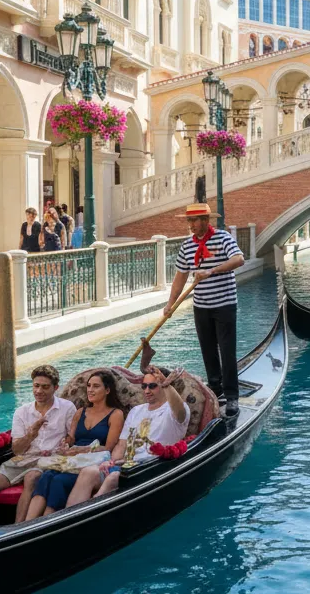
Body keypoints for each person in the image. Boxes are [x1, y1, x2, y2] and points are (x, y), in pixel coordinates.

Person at [71, 358, 190, 504]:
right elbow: (122, 444)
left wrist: (166, 384)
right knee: (88, 472)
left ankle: (92, 511)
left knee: (113, 478)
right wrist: (112, 462)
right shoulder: (136, 411)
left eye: (153, 386)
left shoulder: (175, 411)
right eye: (144, 386)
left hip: (153, 467)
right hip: (125, 465)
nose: (147, 391)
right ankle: (69, 514)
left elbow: (179, 411)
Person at [0, 366, 77, 523]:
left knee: (32, 478)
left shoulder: (67, 408)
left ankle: (19, 526)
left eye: (45, 387)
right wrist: (31, 434)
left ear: (56, 388)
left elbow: (73, 437)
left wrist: (67, 443)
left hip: (50, 459)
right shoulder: (21, 412)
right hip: (24, 458)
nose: (39, 391)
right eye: (36, 386)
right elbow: (17, 450)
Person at [165, 203, 244, 417]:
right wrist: (170, 304)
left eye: (194, 220)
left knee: (226, 350)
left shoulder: (223, 238)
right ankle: (216, 390)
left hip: (225, 304)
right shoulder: (187, 246)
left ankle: (232, 395)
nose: (190, 224)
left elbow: (239, 259)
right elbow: (180, 276)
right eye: (189, 220)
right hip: (201, 306)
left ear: (206, 220)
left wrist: (211, 271)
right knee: (208, 350)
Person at [25, 370, 126, 520]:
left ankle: (47, 521)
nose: (90, 390)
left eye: (96, 386)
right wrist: (65, 444)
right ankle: (28, 523)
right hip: (72, 459)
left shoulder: (116, 414)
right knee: (46, 476)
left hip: (93, 462)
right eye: (89, 386)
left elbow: (108, 448)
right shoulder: (80, 412)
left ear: (107, 390)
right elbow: (71, 438)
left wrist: (82, 450)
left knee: (58, 481)